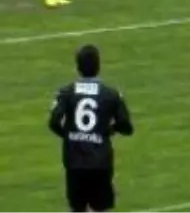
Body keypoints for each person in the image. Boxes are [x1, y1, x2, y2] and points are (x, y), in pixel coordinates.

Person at [48, 44, 134, 213]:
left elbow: (53, 122)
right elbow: (127, 126)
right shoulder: (111, 94)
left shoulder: (65, 92)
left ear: (78, 67)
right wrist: (110, 130)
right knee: (100, 209)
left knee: (77, 209)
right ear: (99, 66)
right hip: (100, 161)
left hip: (74, 161)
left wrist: (69, 135)